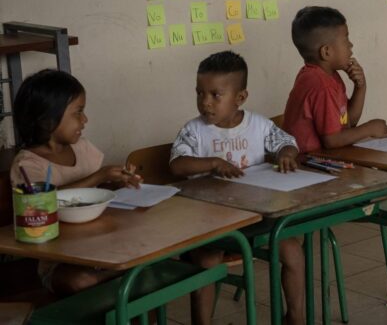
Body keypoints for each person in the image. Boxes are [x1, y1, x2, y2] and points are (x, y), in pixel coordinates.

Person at [169, 51, 304, 325]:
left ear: (240, 97)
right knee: (207, 261)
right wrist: (213, 163)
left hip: (257, 217)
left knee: (291, 250)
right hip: (210, 223)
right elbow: (178, 165)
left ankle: (296, 317)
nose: (205, 102)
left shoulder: (258, 125)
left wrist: (287, 153)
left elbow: (286, 141)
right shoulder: (194, 131)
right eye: (199, 93)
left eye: (215, 95)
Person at [10, 69, 142, 295]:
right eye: (78, 112)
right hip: (59, 260)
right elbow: (44, 202)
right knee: (80, 281)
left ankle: (123, 276)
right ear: (47, 120)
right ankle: (123, 276)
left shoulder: (82, 148)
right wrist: (99, 176)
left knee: (139, 254)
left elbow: (98, 192)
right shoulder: (28, 165)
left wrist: (118, 183)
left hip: (102, 247)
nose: (85, 119)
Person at [282, 6, 387, 152]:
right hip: (306, 163)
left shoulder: (328, 75)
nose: (351, 45)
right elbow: (332, 140)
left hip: (326, 157)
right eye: (346, 39)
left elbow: (348, 122)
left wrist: (360, 86)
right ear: (326, 52)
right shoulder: (320, 84)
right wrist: (369, 128)